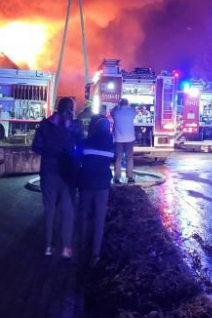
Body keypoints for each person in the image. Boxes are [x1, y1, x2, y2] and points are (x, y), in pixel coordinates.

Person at [32, 97, 77, 259]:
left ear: (58, 107)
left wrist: (50, 150)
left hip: (48, 172)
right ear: (71, 108)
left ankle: (48, 246)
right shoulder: (73, 126)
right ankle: (66, 247)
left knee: (50, 210)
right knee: (68, 211)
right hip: (66, 174)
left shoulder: (45, 125)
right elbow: (79, 146)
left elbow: (36, 147)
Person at [78, 116, 114, 266]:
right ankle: (95, 254)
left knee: (84, 216)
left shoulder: (85, 143)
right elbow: (113, 159)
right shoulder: (110, 146)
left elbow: (77, 159)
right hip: (102, 186)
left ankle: (82, 248)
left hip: (86, 183)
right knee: (99, 219)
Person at [111, 98, 136, 184]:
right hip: (130, 138)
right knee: (129, 158)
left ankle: (117, 178)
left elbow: (111, 112)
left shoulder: (116, 112)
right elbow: (135, 112)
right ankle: (130, 177)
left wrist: (117, 106)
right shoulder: (131, 111)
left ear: (120, 104)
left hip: (118, 139)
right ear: (127, 103)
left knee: (118, 158)